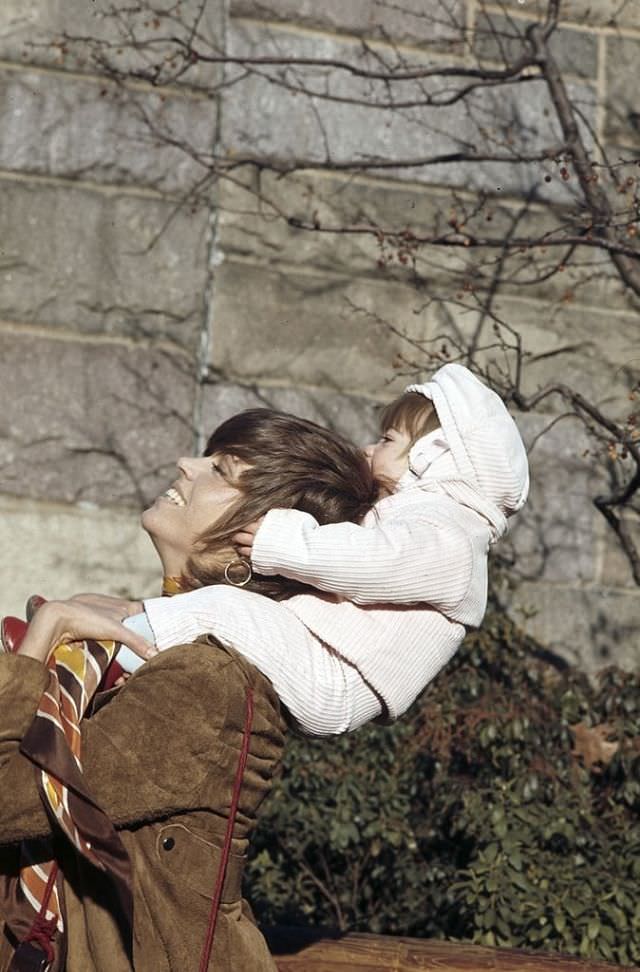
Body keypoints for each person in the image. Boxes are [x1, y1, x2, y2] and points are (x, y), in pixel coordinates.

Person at [0, 409, 378, 972]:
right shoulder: (140, 647)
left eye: (221, 470)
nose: (186, 464)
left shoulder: (207, 686)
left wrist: (48, 630)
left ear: (252, 550)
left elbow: (8, 799)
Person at [113, 363, 530, 734]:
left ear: (432, 455)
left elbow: (375, 561)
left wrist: (283, 541)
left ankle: (120, 650)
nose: (368, 449)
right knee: (230, 612)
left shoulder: (450, 539)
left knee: (226, 607)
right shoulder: (422, 522)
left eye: (386, 439)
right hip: (321, 659)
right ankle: (131, 635)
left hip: (334, 678)